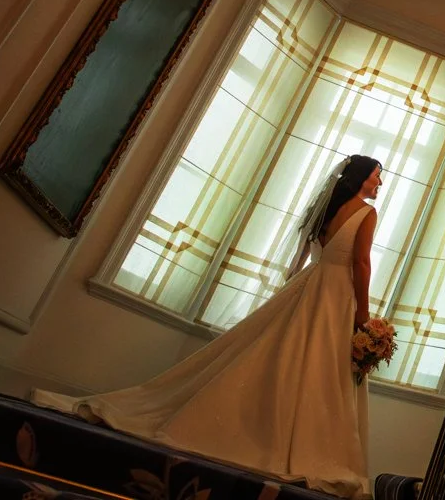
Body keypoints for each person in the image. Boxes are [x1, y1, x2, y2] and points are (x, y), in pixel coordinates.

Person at [32, 155, 383, 499]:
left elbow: (308, 253)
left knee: (279, 356)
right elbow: (361, 263)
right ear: (362, 177)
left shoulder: (327, 209)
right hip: (336, 295)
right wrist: (363, 317)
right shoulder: (366, 213)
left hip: (308, 286)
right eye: (377, 175)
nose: (380, 183)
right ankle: (296, 442)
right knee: (317, 367)